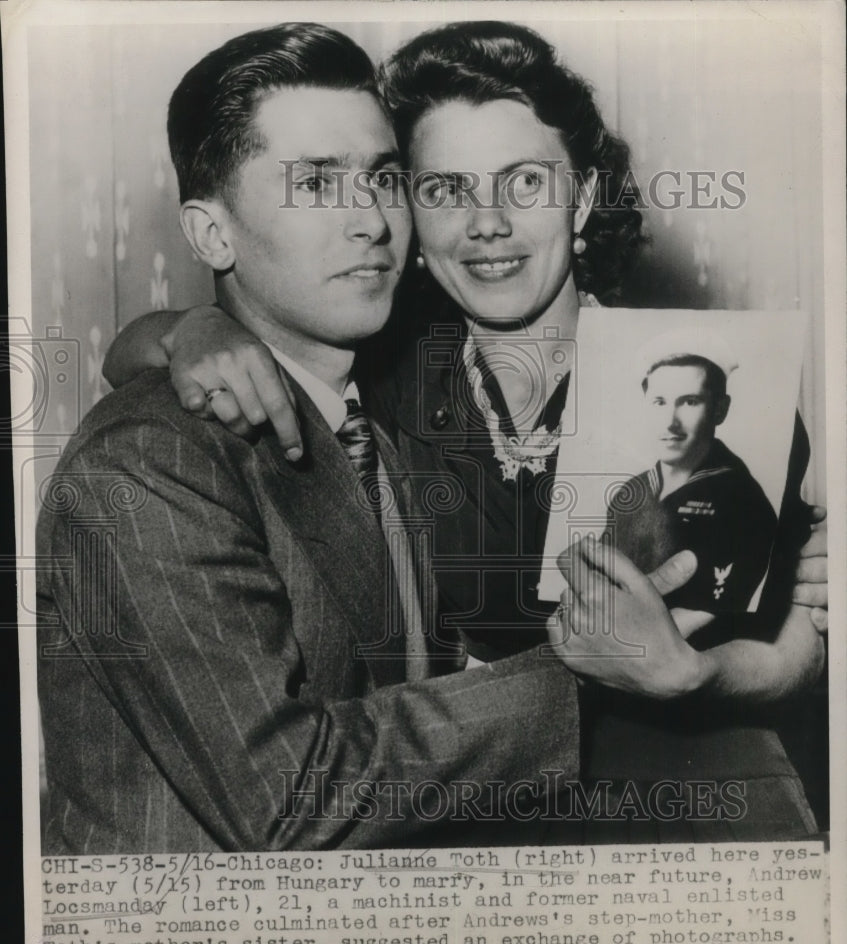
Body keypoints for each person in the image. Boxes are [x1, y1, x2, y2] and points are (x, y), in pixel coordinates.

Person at [103, 22, 827, 839]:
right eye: (445, 189)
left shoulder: (694, 379)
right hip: (451, 804)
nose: (486, 223)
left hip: (686, 797)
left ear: (581, 196)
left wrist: (693, 677)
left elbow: (802, 637)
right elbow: (139, 357)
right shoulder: (377, 362)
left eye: (522, 183)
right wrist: (191, 329)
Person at [38, 22, 631, 855]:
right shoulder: (148, 465)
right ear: (210, 234)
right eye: (316, 185)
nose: (371, 222)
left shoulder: (374, 413)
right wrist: (593, 679)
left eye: (384, 179)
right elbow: (285, 798)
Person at [606, 337, 778, 615]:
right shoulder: (629, 492)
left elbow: (718, 616)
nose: (670, 422)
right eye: (659, 402)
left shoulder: (743, 501)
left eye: (689, 401)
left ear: (720, 409)